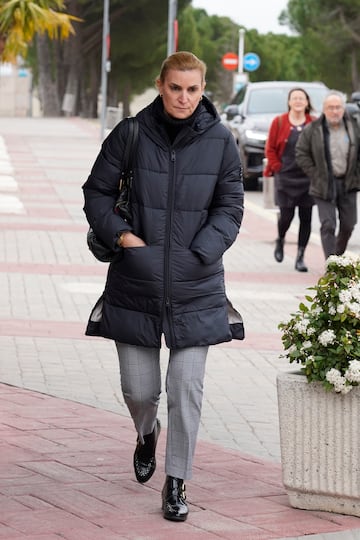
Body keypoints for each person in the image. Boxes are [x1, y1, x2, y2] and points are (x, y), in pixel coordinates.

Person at [82, 51, 244, 522]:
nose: (184, 98)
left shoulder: (220, 141)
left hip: (197, 286)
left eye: (193, 89)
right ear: (160, 84)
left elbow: (231, 206)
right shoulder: (131, 133)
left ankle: (177, 481)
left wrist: (203, 250)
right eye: (176, 88)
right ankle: (146, 430)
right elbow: (96, 192)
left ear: (203, 88)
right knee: (139, 389)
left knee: (186, 388)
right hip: (136, 282)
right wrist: (124, 237)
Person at [296, 90, 360, 259]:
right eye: (330, 107)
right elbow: (301, 153)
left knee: (348, 225)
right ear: (324, 109)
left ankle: (337, 257)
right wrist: (314, 174)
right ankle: (331, 265)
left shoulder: (353, 126)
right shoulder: (314, 129)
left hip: (348, 183)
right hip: (323, 184)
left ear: (343, 109)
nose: (334, 111)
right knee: (328, 225)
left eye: (338, 107)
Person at [264, 88, 316, 272]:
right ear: (289, 102)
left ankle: (300, 256)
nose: (298, 101)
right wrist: (278, 167)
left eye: (301, 98)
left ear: (307, 102)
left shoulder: (314, 123)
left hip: (308, 178)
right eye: (294, 98)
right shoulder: (279, 122)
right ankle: (280, 239)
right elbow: (269, 148)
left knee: (306, 217)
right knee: (286, 216)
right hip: (285, 176)